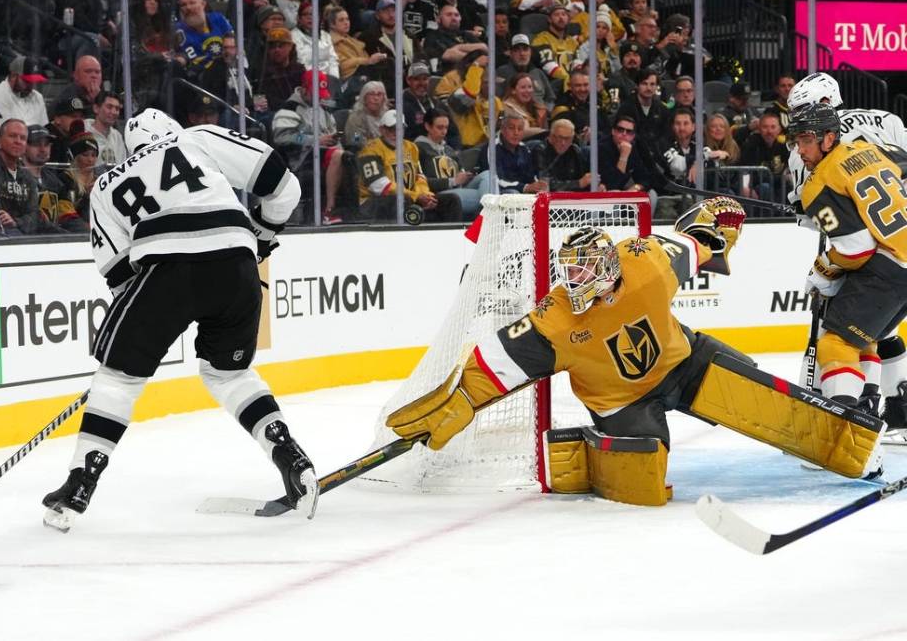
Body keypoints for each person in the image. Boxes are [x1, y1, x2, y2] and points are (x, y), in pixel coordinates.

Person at [385, 196, 885, 506]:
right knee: (645, 479)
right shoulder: (554, 319)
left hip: (684, 361)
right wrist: (456, 404)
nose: (572, 280)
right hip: (620, 403)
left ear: (607, 267)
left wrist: (717, 227)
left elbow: (695, 244)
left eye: (583, 270)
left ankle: (850, 451)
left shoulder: (645, 262)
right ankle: (586, 448)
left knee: (760, 390)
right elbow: (492, 366)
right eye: (569, 271)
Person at [42, 108, 318, 531]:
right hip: (237, 265)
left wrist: (145, 335)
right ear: (173, 128)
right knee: (229, 375)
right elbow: (285, 189)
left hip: (165, 271)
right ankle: (291, 457)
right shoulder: (197, 137)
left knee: (118, 378)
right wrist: (258, 241)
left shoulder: (106, 186)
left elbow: (119, 276)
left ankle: (80, 484)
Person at [785, 73, 907, 434]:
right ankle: (897, 407)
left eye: (805, 138)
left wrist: (823, 269)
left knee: (838, 338)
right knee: (873, 330)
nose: (800, 145)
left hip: (880, 257)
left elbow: (849, 243)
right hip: (898, 240)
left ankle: (853, 420)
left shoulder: (816, 164)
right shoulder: (885, 125)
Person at [357, 109, 462, 222]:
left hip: (409, 197)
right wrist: (415, 196)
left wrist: (426, 195)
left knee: (451, 200)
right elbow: (380, 187)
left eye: (399, 129)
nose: (395, 133)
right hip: (373, 202)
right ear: (382, 129)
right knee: (401, 200)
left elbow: (419, 178)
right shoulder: (370, 150)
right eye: (391, 129)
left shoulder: (411, 147)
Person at [270, 70, 346, 224]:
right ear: (304, 89)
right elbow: (282, 137)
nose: (319, 98)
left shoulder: (323, 110)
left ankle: (347, 211)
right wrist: (315, 140)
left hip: (323, 155)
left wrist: (331, 139)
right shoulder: (288, 109)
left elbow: (330, 134)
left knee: (347, 158)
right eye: (315, 93)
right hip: (299, 160)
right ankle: (329, 210)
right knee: (338, 156)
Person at [414, 107, 490, 218]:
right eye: (439, 127)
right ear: (427, 126)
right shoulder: (418, 148)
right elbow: (419, 181)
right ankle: (490, 213)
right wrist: (452, 181)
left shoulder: (449, 149)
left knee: (488, 175)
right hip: (441, 196)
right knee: (490, 198)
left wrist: (467, 176)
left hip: (460, 190)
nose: (444, 131)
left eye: (446, 127)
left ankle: (487, 211)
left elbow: (460, 173)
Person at [474, 112, 545, 193]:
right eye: (511, 128)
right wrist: (524, 187)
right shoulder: (492, 148)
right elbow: (494, 180)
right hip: (495, 191)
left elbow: (531, 176)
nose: (516, 133)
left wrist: (537, 186)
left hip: (521, 189)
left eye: (520, 129)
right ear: (503, 129)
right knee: (514, 194)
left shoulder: (524, 149)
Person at [0, 56, 50, 128]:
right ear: (13, 76)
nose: (31, 86)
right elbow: (5, 131)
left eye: (33, 82)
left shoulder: (38, 97)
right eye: (27, 81)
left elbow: (44, 128)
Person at [533, 118, 591, 192]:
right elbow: (543, 183)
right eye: (560, 137)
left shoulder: (574, 150)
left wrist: (596, 184)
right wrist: (577, 184)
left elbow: (584, 177)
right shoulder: (540, 150)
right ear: (551, 136)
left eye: (567, 139)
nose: (563, 143)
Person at [502, 72, 549, 140]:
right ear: (513, 90)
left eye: (530, 87)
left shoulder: (539, 108)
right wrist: (544, 132)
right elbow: (520, 132)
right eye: (523, 87)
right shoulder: (507, 108)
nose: (527, 91)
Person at [85, 92, 127, 167]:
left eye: (117, 109)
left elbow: (122, 165)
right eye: (109, 107)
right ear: (96, 108)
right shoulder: (84, 131)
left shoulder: (117, 136)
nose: (114, 112)